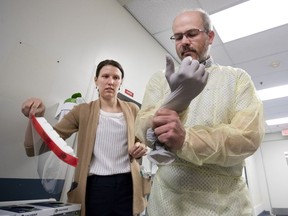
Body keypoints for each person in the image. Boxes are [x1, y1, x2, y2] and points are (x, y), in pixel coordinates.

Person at [135, 8, 265, 216]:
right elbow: (141, 129)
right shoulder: (160, 80)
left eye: (191, 34)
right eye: (178, 37)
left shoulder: (237, 78)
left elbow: (248, 138)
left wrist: (186, 139)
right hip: (167, 203)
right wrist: (174, 101)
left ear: (210, 36)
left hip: (225, 204)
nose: (184, 41)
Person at [21, 59, 150, 216]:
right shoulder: (82, 111)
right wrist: (34, 118)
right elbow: (38, 146)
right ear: (96, 80)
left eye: (116, 77)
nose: (110, 81)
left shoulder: (133, 109)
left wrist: (142, 148)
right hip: (95, 187)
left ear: (121, 82)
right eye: (105, 76)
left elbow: (142, 142)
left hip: (129, 186)